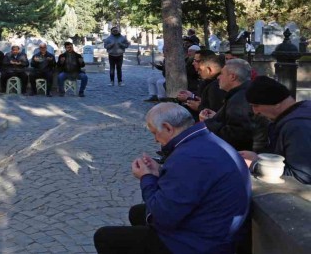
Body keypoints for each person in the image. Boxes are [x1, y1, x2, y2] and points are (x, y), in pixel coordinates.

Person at [94, 103, 251, 254]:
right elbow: (185, 187)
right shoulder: (204, 140)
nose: (155, 140)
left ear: (168, 128)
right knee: (137, 212)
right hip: (212, 228)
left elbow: (161, 217)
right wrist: (159, 172)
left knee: (105, 237)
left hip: (201, 244)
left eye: (155, 133)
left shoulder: (189, 157)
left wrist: (146, 178)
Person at [239, 76, 311, 184]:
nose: (255, 112)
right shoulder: (294, 116)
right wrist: (258, 158)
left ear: (277, 104)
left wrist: (256, 165)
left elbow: (302, 176)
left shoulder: (297, 127)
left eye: (256, 105)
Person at [199, 59, 256, 151]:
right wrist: (216, 117)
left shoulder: (239, 99)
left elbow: (237, 134)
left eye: (222, 74)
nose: (218, 77)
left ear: (232, 77)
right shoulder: (242, 93)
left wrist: (209, 123)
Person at [178, 51, 226, 119]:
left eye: (200, 70)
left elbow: (215, 113)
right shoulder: (208, 82)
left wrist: (198, 107)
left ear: (209, 69)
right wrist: (192, 96)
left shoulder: (216, 86)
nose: (193, 63)